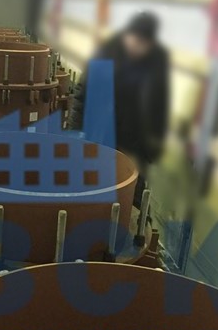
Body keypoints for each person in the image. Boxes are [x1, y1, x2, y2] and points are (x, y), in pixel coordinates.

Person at [68, 12, 170, 207]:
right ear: (127, 35)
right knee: (93, 192)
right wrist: (75, 136)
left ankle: (129, 220)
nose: (137, 47)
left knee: (131, 198)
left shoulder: (157, 62)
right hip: (101, 137)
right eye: (135, 40)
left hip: (134, 146)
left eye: (144, 44)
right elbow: (81, 97)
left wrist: (151, 152)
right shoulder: (106, 53)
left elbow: (159, 107)